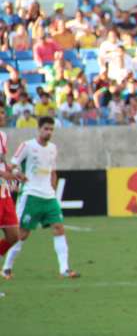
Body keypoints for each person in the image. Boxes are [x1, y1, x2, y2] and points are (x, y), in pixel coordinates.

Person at [4, 118, 78, 279]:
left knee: (59, 228)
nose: (49, 132)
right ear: (39, 129)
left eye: (51, 129)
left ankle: (64, 269)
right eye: (46, 129)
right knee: (22, 234)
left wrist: (52, 186)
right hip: (31, 195)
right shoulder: (27, 146)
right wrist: (17, 175)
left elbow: (52, 171)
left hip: (49, 197)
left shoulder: (53, 148)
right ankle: (7, 267)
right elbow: (12, 165)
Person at [0, 131, 27, 279]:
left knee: (13, 236)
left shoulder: (2, 135)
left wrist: (14, 172)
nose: (2, 115)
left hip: (4, 192)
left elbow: (2, 159)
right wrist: (4, 175)